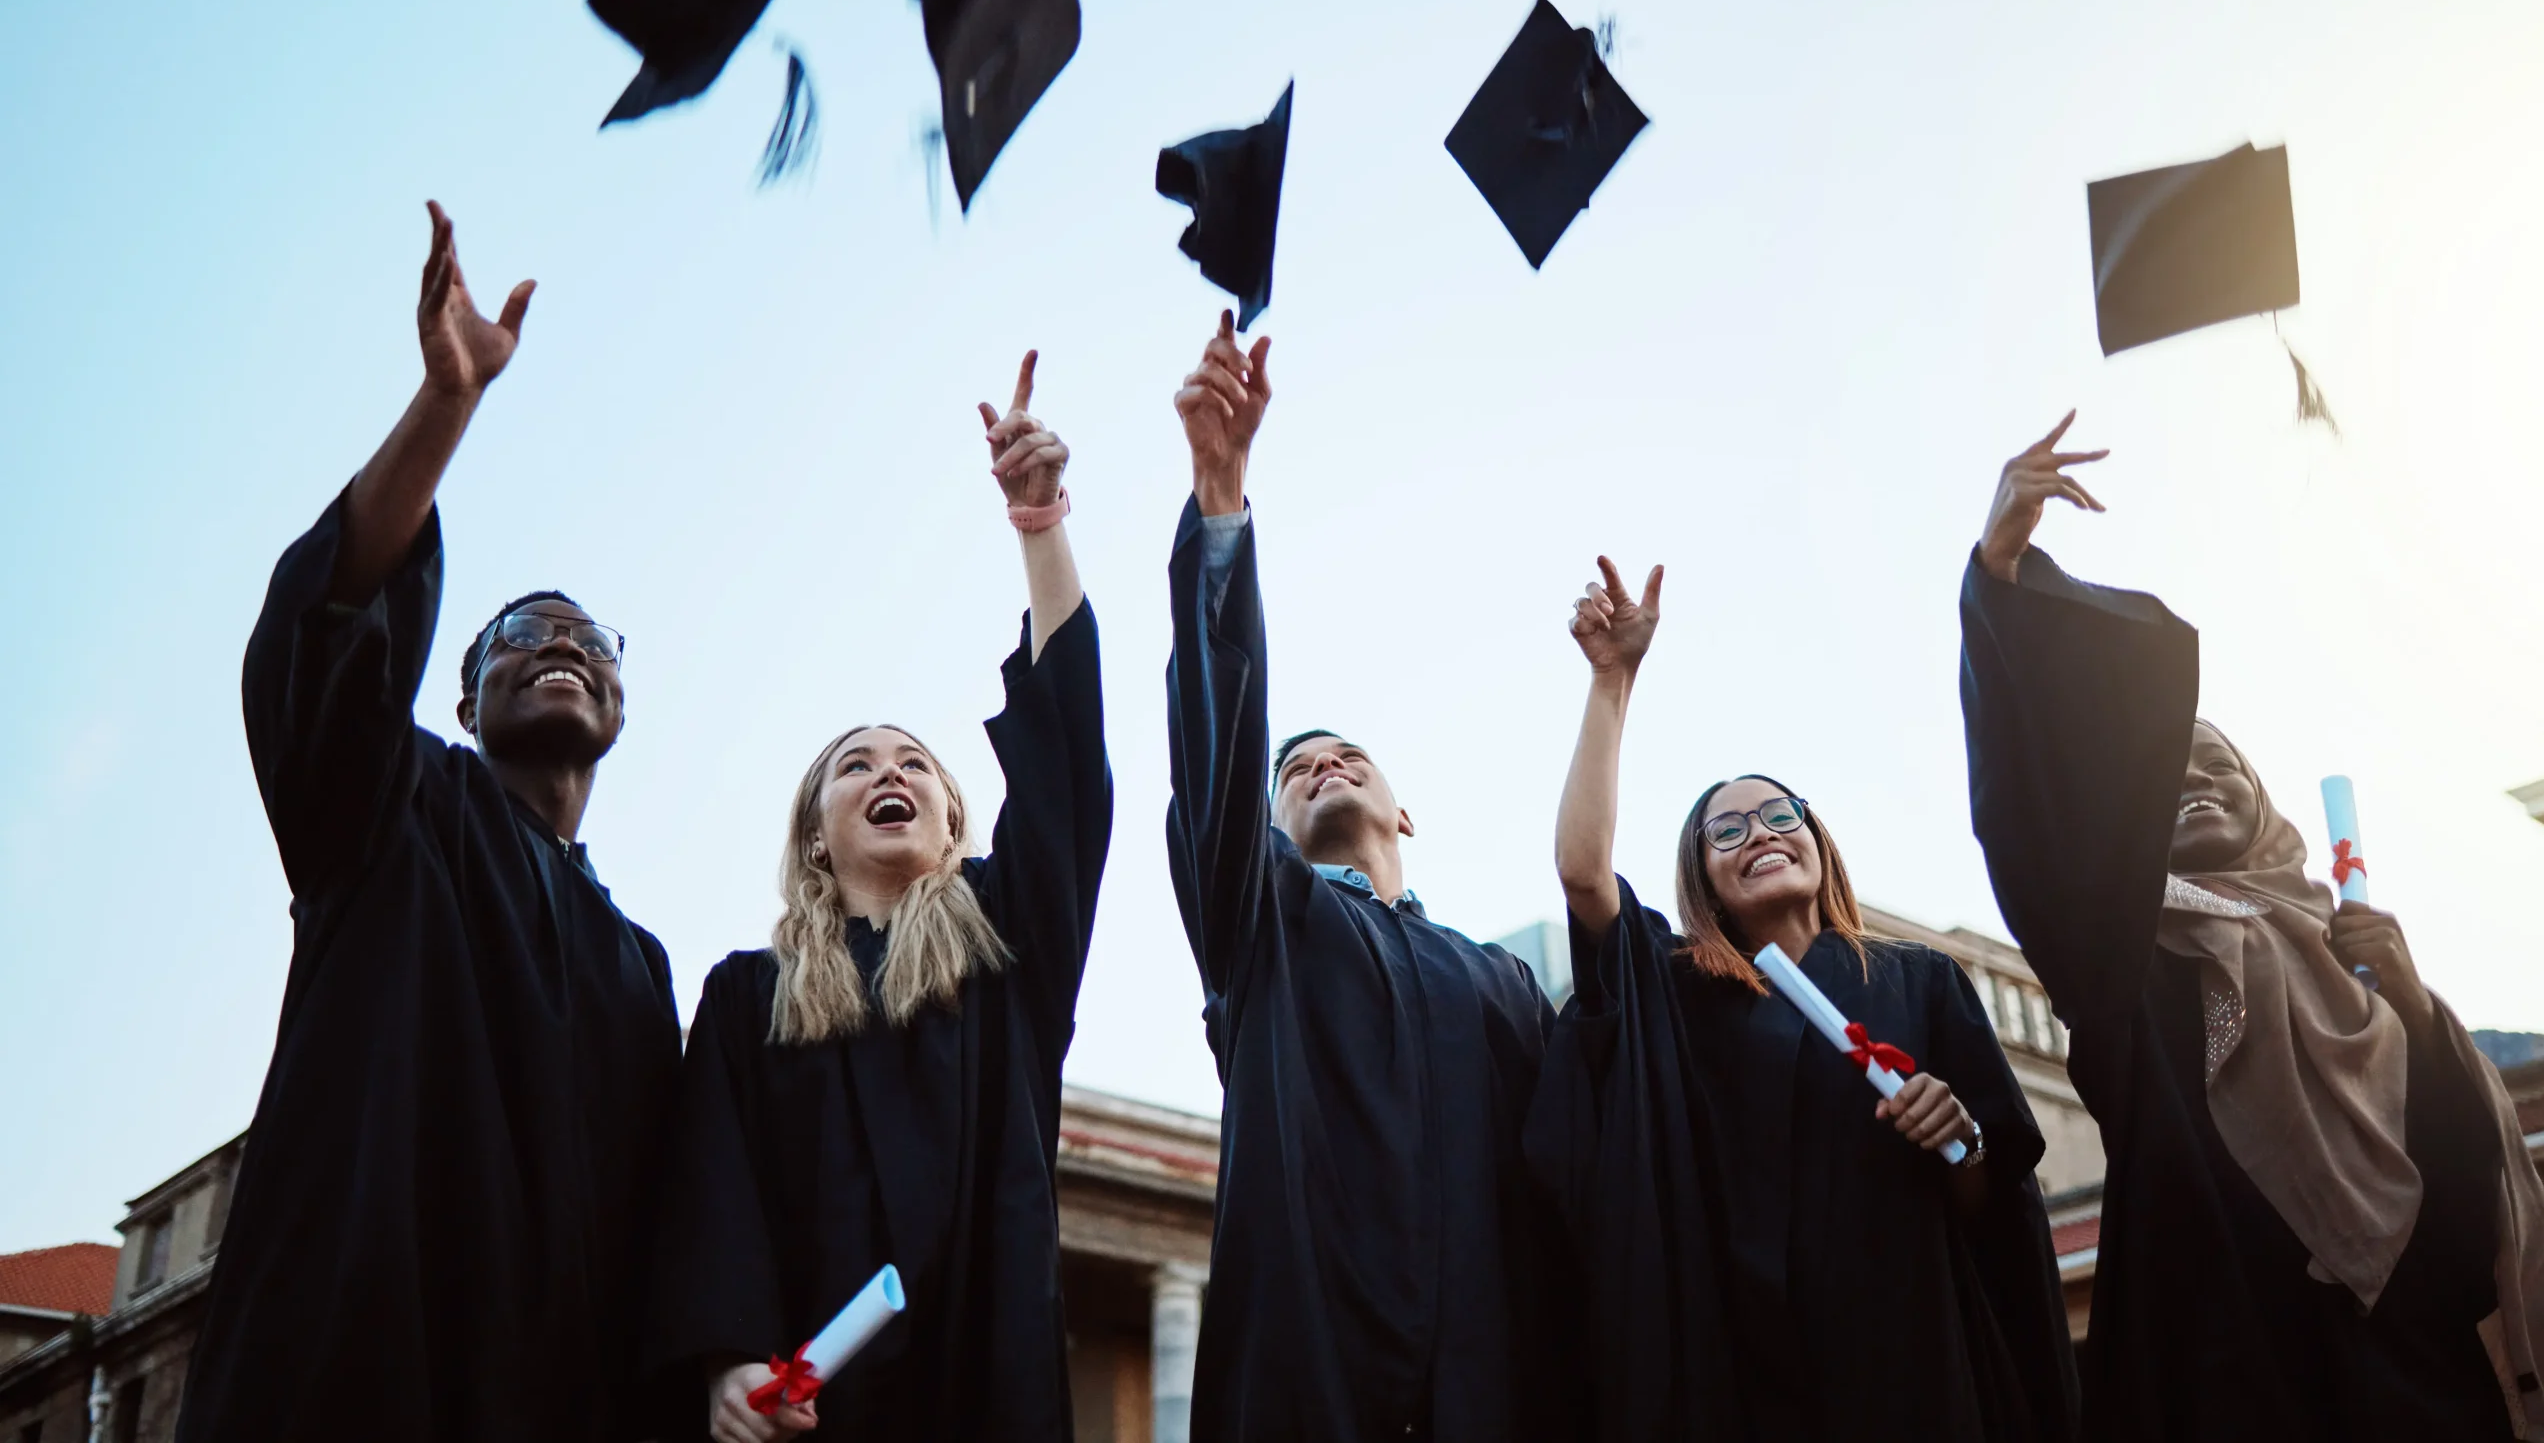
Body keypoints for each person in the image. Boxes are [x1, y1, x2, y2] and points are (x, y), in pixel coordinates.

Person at [179, 203, 683, 1443]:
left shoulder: (641, 971)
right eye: (520, 633)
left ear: (621, 701)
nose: (559, 642)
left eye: (587, 638)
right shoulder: (388, 807)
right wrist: (448, 404)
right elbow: (330, 623)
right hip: (347, 1384)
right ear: (461, 694)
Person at [1958, 413, 2544, 1442]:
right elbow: (2028, 822)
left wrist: (2412, 1008)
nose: (2196, 784)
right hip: (2231, 1367)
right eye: (2170, 775)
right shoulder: (2119, 951)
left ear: (2263, 798)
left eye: (2220, 768)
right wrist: (1998, 577)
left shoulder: (2355, 956)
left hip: (2408, 1370)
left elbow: (2458, 1221)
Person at [652, 352, 1109, 1443]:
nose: (889, 772)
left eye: (914, 764)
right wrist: (724, 1362)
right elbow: (710, 1196)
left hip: (984, 1378)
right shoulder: (746, 998)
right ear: (816, 830)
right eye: (855, 765)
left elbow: (1065, 775)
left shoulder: (1006, 947)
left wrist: (1040, 527)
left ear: (955, 824)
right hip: (810, 1402)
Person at [1528, 555, 2078, 1441]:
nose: (1761, 836)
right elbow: (1583, 874)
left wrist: (1960, 1137)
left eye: (1781, 817)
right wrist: (1612, 682)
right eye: (1728, 831)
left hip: (1907, 1356)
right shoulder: (1681, 992)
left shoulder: (1919, 982)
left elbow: (1989, 1212)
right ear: (1700, 876)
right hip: (1743, 1371)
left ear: (1817, 840)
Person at [1162, 312, 1571, 1442]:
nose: (1320, 764)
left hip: (1495, 1381)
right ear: (1267, 828)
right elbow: (1212, 750)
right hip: (1312, 1374)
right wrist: (1219, 508)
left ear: (1404, 810)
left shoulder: (1499, 984)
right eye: (1291, 769)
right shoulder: (1263, 930)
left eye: (1345, 755)